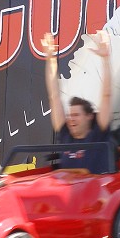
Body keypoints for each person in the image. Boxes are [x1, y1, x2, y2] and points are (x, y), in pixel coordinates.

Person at [40, 30, 113, 172]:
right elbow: (54, 96)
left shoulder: (98, 133)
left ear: (89, 116)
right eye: (69, 115)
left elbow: (107, 95)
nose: (70, 119)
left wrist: (105, 59)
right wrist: (51, 60)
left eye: (76, 115)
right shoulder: (66, 134)